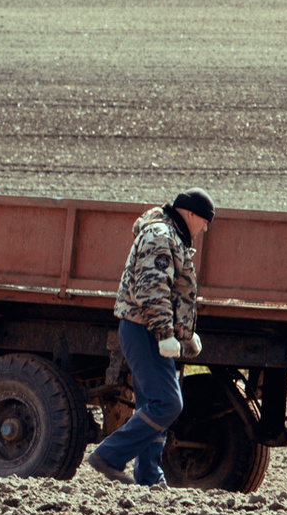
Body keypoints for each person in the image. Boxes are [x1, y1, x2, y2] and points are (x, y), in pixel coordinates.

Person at [86, 188, 214, 487]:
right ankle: (109, 456)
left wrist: (184, 335)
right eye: (205, 220)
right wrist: (166, 334)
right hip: (145, 331)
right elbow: (152, 290)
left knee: (153, 405)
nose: (205, 228)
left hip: (148, 330)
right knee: (168, 404)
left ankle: (148, 477)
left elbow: (169, 293)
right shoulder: (160, 236)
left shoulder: (171, 236)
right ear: (190, 214)